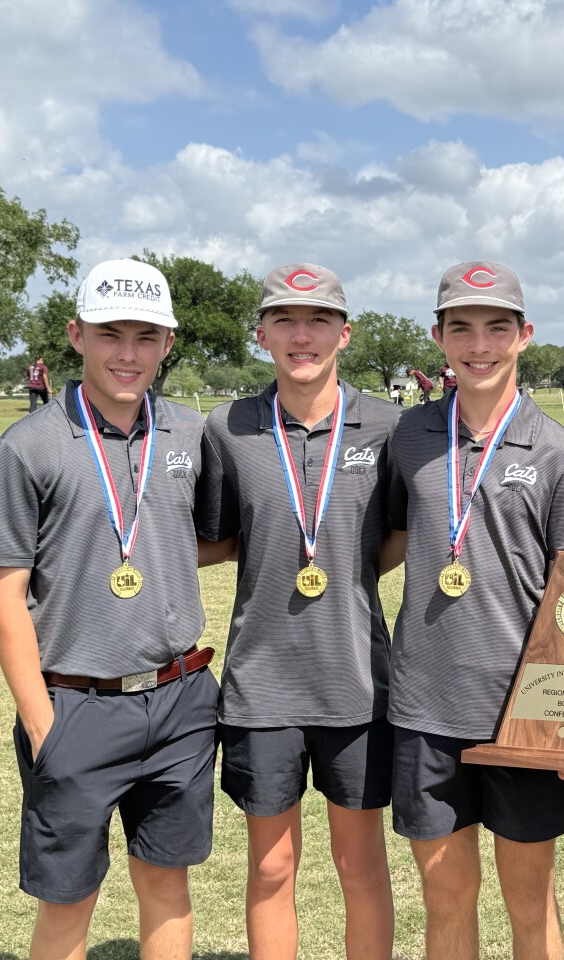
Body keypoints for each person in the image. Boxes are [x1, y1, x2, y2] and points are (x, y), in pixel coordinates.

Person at [0, 259, 218, 960]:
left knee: (167, 882)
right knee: (69, 899)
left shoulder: (190, 435)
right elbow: (4, 591)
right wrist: (40, 720)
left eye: (146, 336)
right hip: (74, 704)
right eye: (111, 334)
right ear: (77, 335)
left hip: (179, 701)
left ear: (168, 344)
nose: (128, 354)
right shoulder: (29, 445)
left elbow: (204, 537)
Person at [385, 260, 564, 960]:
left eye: (497, 328)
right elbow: (384, 538)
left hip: (524, 714)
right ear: (438, 336)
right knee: (446, 901)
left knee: (530, 906)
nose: (480, 345)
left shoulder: (559, 452)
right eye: (462, 328)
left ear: (524, 335)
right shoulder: (409, 437)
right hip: (424, 708)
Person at [196, 263, 402, 959]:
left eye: (318, 320)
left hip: (358, 684)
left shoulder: (388, 426)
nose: (302, 334)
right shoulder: (227, 427)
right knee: (271, 866)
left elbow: (401, 535)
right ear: (261, 335)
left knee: (361, 864)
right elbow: (221, 537)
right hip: (263, 688)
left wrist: (339, 563)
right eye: (285, 319)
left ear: (345, 333)